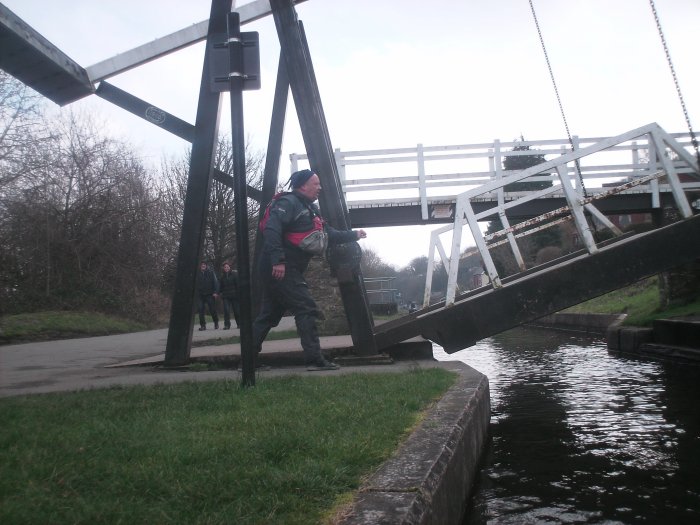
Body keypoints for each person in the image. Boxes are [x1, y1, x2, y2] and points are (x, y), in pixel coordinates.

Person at [253, 169, 367, 371]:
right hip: (281, 268)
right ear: (303, 185)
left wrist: (353, 234)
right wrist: (278, 260)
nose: (320, 188)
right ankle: (314, 360)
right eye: (316, 184)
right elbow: (272, 229)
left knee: (269, 315)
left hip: (285, 268)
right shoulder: (288, 203)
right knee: (305, 307)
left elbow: (327, 234)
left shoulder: (310, 209)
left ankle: (247, 360)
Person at [197, 261, 219, 331]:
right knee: (200, 310)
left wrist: (215, 292)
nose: (203, 265)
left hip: (209, 294)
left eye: (204, 265)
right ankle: (203, 326)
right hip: (200, 295)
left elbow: (215, 282)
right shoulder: (197, 274)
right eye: (202, 265)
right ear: (200, 266)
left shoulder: (211, 272)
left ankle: (216, 323)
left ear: (206, 266)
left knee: (212, 310)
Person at [219, 261, 240, 329]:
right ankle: (227, 325)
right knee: (226, 310)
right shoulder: (222, 277)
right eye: (225, 267)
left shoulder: (234, 275)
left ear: (230, 267)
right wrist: (218, 293)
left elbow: (237, 285)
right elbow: (220, 287)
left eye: (227, 267)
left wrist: (238, 294)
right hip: (226, 296)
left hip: (234, 296)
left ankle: (239, 324)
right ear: (223, 268)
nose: (226, 268)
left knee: (236, 311)